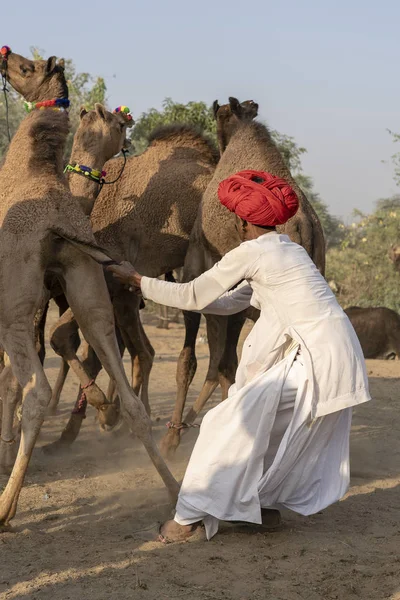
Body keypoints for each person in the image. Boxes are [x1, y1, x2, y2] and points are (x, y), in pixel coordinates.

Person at [107, 170, 371, 543]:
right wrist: (150, 285)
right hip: (334, 352)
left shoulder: (253, 252)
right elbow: (231, 301)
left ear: (241, 220)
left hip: (317, 356)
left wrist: (139, 282)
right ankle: (256, 507)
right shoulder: (287, 250)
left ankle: (186, 522)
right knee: (270, 429)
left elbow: (194, 296)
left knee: (226, 423)